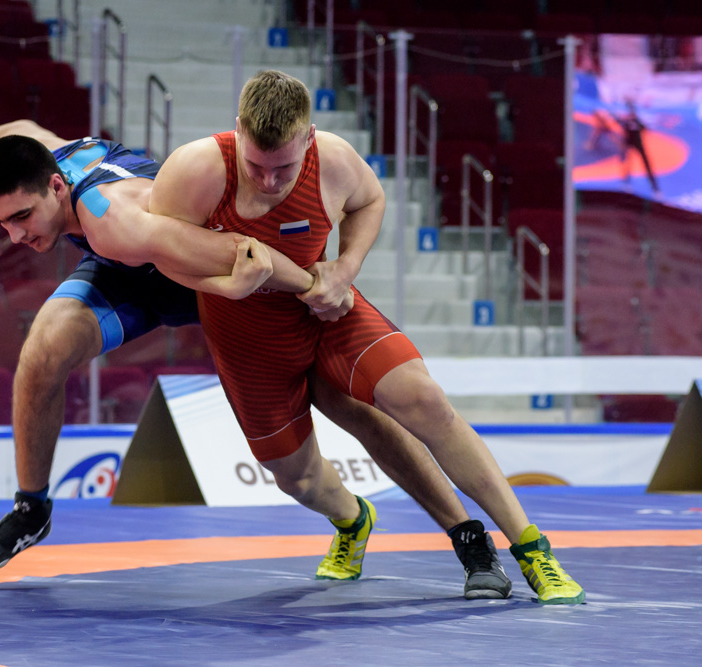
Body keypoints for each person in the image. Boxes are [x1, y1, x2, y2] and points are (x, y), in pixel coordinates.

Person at [0, 119, 512, 600]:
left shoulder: (114, 213)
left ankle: (466, 535)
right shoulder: (57, 159)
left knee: (345, 405)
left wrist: (323, 285)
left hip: (221, 276)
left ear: (55, 187)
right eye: (3, 224)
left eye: (22, 218)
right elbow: (12, 132)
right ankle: (32, 510)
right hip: (133, 269)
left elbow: (241, 256)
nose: (16, 236)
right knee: (43, 349)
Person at [148, 70, 584, 605]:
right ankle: (353, 520)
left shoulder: (331, 158)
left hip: (324, 312)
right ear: (238, 130)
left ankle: (533, 550)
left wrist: (345, 268)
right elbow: (158, 253)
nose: (269, 181)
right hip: (247, 341)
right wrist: (225, 286)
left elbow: (370, 200)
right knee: (297, 479)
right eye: (256, 167)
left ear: (309, 138)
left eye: (284, 168)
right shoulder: (194, 170)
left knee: (424, 400)